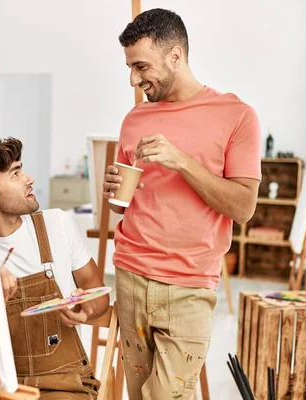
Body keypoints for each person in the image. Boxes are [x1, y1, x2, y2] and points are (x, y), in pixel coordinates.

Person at [103, 8, 261, 400]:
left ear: (175, 56)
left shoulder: (237, 116)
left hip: (189, 286)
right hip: (130, 274)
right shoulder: (134, 119)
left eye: (141, 66)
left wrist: (182, 161)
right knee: (138, 394)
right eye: (129, 67)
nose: (134, 79)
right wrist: (113, 195)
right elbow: (125, 206)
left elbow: (243, 208)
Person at [0, 138, 108, 400]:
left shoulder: (56, 225)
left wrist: (86, 309)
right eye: (15, 173)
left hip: (62, 385)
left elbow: (99, 294)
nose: (29, 179)